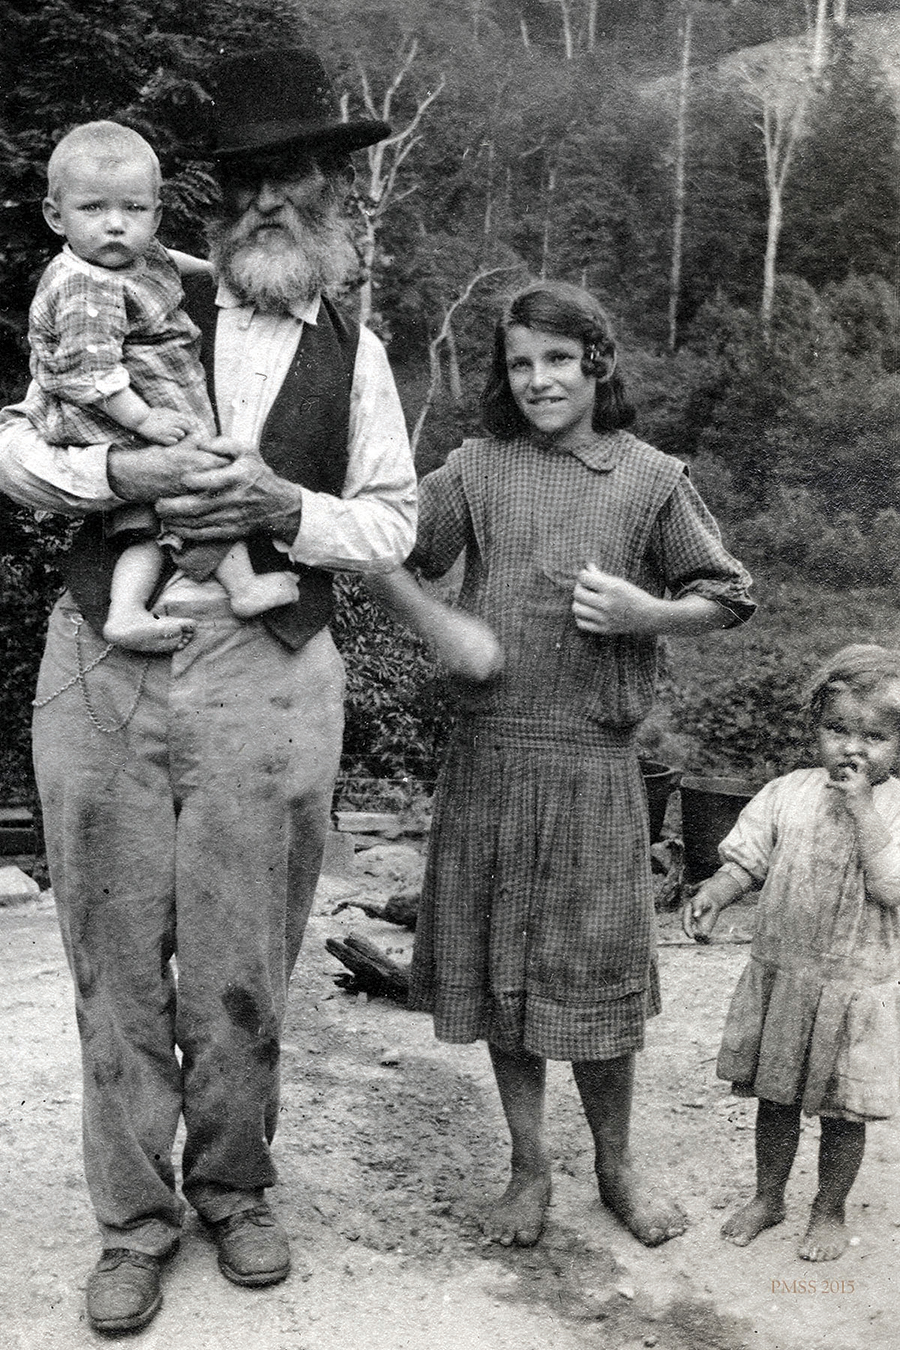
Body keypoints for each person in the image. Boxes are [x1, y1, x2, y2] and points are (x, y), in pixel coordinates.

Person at [0, 46, 417, 1335]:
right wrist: (120, 484)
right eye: (259, 177)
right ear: (220, 194)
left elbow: (394, 524)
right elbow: (15, 450)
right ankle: (133, 1224)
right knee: (114, 965)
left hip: (271, 666)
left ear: (344, 199)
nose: (287, 200)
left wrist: (286, 508)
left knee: (242, 961)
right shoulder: (117, 290)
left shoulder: (359, 348)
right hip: (106, 660)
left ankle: (235, 1189)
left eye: (313, 177)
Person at [367, 279, 755, 1252]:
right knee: (505, 974)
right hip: (492, 760)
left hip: (592, 767)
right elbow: (380, 550)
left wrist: (646, 613)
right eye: (518, 362)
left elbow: (729, 592)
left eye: (555, 359)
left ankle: (617, 1166)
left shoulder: (651, 478)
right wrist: (444, 626)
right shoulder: (476, 470)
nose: (537, 379)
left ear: (598, 362)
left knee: (599, 978)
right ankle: (529, 1164)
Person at [15, 118, 299, 654]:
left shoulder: (135, 256)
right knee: (196, 486)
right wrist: (144, 421)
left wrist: (219, 270)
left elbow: (174, 263)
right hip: (115, 413)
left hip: (143, 402)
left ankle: (223, 586)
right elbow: (93, 374)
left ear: (156, 214)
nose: (116, 226)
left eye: (134, 210)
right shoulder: (85, 286)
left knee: (175, 501)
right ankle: (184, 598)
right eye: (93, 209)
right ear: (56, 216)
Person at [683, 644, 900, 1262]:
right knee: (776, 1099)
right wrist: (718, 891)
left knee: (842, 1112)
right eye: (837, 730)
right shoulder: (787, 792)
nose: (853, 748)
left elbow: (890, 885)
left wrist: (862, 810)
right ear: (815, 731)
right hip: (788, 977)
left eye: (875, 736)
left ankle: (828, 1209)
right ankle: (768, 1196)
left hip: (857, 987)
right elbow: (747, 857)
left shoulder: (894, 807)